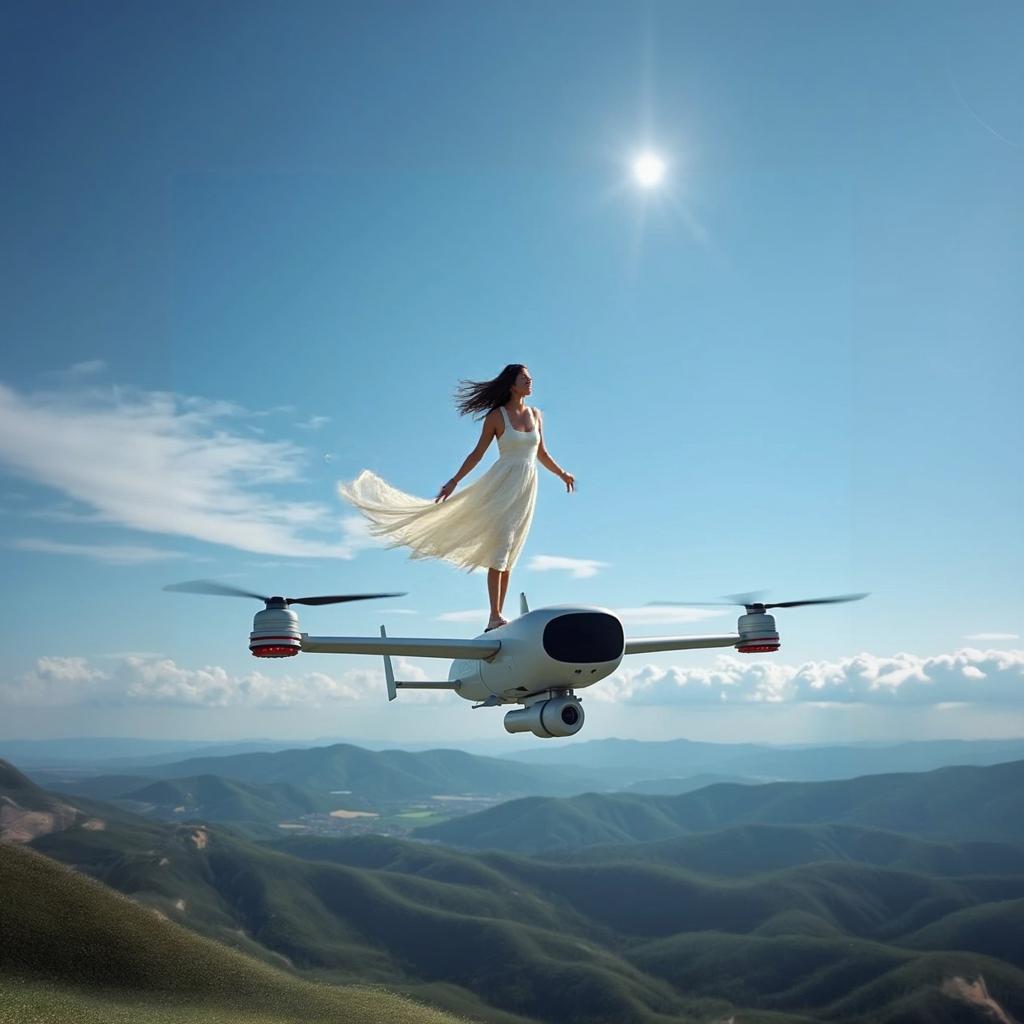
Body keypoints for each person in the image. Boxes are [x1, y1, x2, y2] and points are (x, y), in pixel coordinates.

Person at [338, 364, 574, 631]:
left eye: (530, 378)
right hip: (501, 485)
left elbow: (541, 453)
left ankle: (498, 615)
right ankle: (494, 616)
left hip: (526, 490)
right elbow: (477, 454)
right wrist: (454, 481)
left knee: (511, 552)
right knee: (501, 546)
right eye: (525, 378)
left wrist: (562, 474)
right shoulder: (496, 417)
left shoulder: (535, 415)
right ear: (512, 384)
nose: (530, 381)